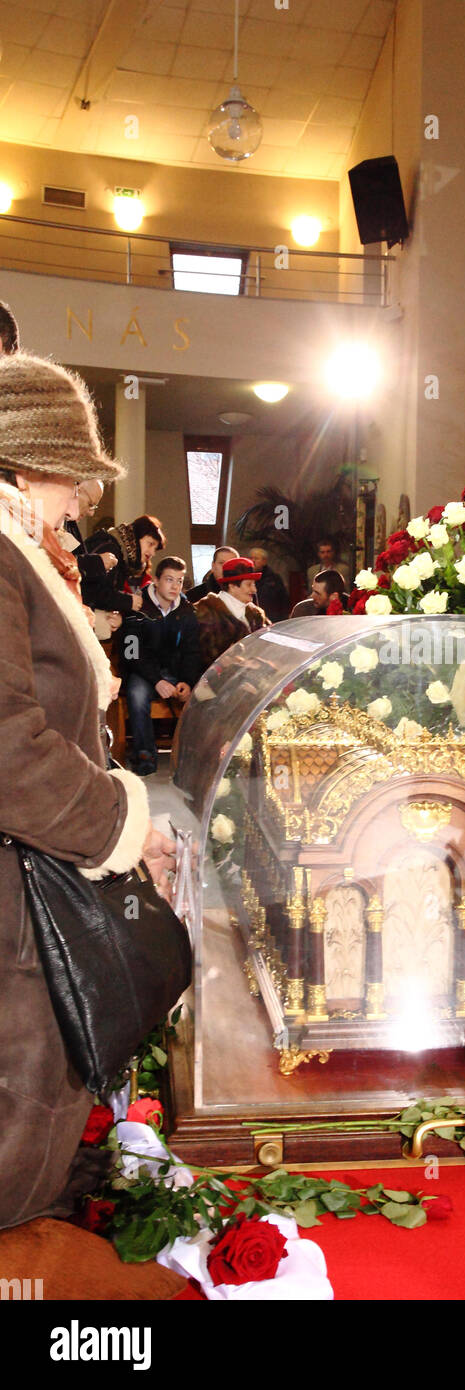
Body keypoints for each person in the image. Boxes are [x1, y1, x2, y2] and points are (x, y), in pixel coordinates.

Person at [0, 351, 174, 1230]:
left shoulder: (20, 552)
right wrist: (127, 824)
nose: (79, 504)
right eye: (72, 481)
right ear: (26, 465)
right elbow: (7, 747)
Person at [120, 555, 203, 776]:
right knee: (136, 695)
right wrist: (156, 680)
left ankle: (190, 758)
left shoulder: (187, 611)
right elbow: (131, 653)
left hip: (175, 673)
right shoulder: (137, 608)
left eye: (179, 580)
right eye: (169, 579)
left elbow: (192, 652)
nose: (175, 586)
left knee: (202, 694)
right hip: (143, 672)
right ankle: (145, 757)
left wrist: (187, 680)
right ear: (156, 580)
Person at [194, 555, 269, 669]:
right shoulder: (205, 613)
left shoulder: (255, 614)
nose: (254, 590)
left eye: (254, 584)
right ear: (232, 586)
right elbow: (204, 658)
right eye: (249, 584)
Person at [83, 514, 166, 614]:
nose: (152, 553)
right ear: (137, 536)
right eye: (150, 544)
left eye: (155, 549)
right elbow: (92, 592)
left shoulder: (123, 557)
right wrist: (128, 601)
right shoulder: (111, 549)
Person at [247, 545, 290, 622]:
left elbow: (283, 600)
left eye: (256, 558)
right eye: (251, 558)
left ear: (264, 561)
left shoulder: (274, 578)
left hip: (271, 618)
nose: (253, 561)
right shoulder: (245, 577)